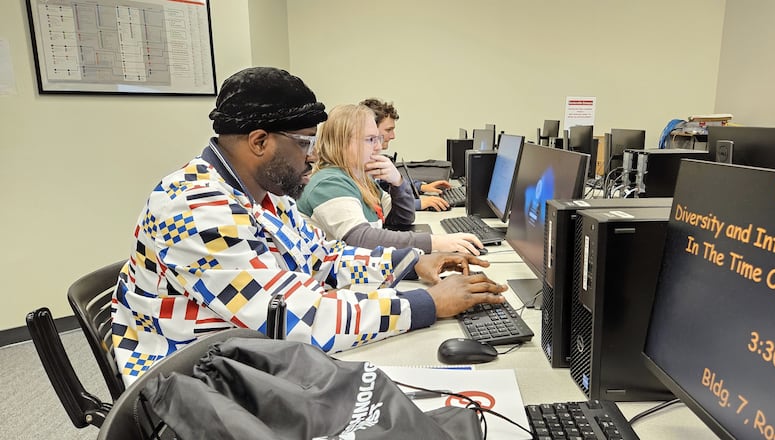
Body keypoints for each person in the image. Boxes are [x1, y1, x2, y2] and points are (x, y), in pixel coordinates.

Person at [111, 67, 507, 385]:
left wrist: (411, 262)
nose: (313, 156)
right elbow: (295, 320)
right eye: (303, 143)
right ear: (260, 141)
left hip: (245, 353)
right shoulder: (195, 207)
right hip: (189, 383)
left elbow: (324, 258)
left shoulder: (263, 194)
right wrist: (429, 303)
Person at [297, 104, 483, 254]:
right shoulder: (329, 183)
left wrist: (398, 182)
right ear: (343, 142)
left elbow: (401, 220)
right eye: (370, 140)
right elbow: (360, 239)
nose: (378, 147)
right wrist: (435, 242)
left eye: (378, 139)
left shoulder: (361, 179)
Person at [360, 98, 453, 211]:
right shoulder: (358, 167)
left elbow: (384, 184)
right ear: (371, 128)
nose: (393, 136)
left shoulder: (372, 162)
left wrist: (421, 187)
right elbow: (376, 206)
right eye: (388, 130)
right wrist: (418, 204)